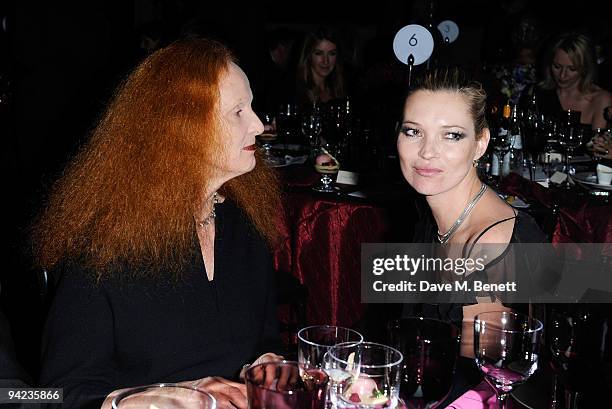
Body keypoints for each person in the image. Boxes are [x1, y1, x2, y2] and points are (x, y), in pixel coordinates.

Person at [33, 38, 283, 409]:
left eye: (253, 107)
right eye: (238, 112)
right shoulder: (104, 247)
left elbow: (264, 336)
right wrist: (162, 396)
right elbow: (48, 396)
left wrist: (267, 364)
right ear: (183, 129)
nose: (260, 125)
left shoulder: (243, 223)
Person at [523, 31, 612, 129]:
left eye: (572, 69)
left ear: (585, 68)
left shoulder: (600, 100)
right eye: (557, 66)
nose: (562, 75)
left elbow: (598, 142)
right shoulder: (535, 93)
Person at [295, 25, 347, 107]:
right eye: (319, 53)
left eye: (331, 53)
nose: (325, 61)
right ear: (308, 56)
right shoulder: (296, 92)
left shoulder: (339, 89)